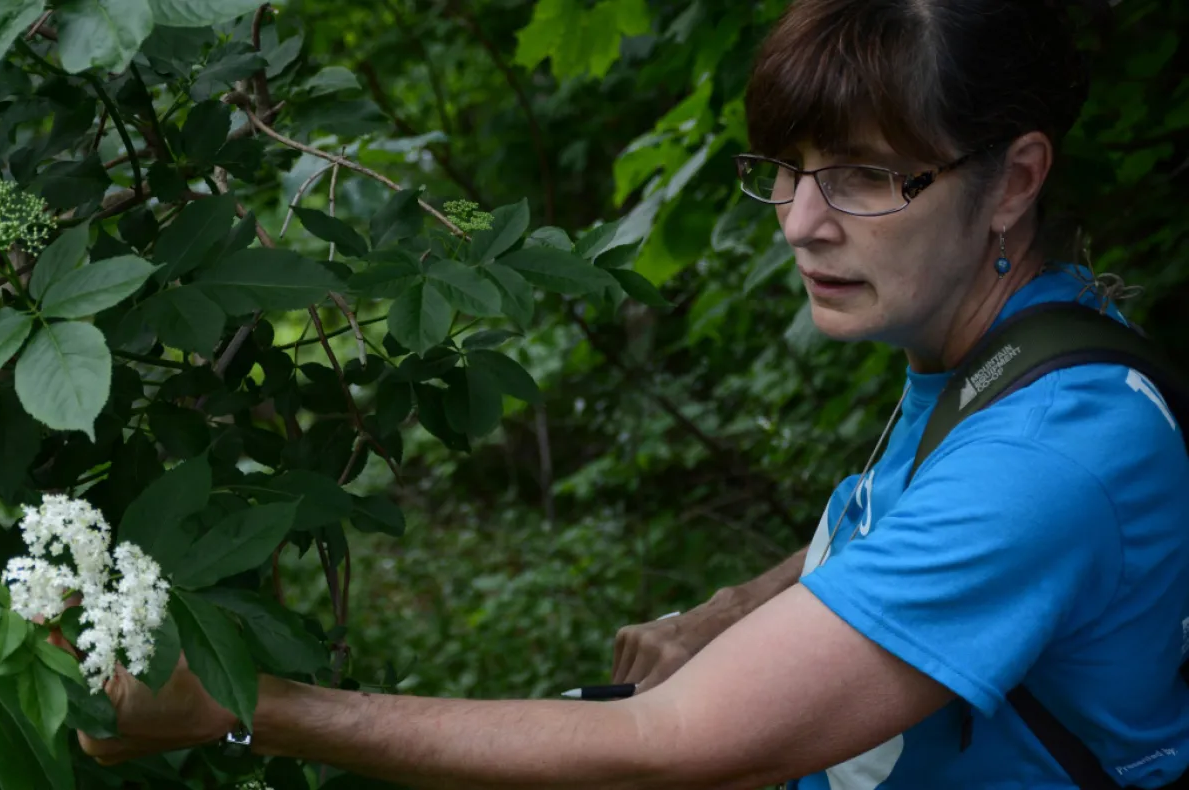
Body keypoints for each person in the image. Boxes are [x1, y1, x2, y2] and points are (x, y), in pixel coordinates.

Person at [62, 1, 1189, 787]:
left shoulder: (1050, 453)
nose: (800, 221)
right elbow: (912, 515)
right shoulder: (1010, 340)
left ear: (1015, 181)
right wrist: (733, 611)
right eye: (787, 169)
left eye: (861, 173)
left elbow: (677, 743)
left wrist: (245, 704)